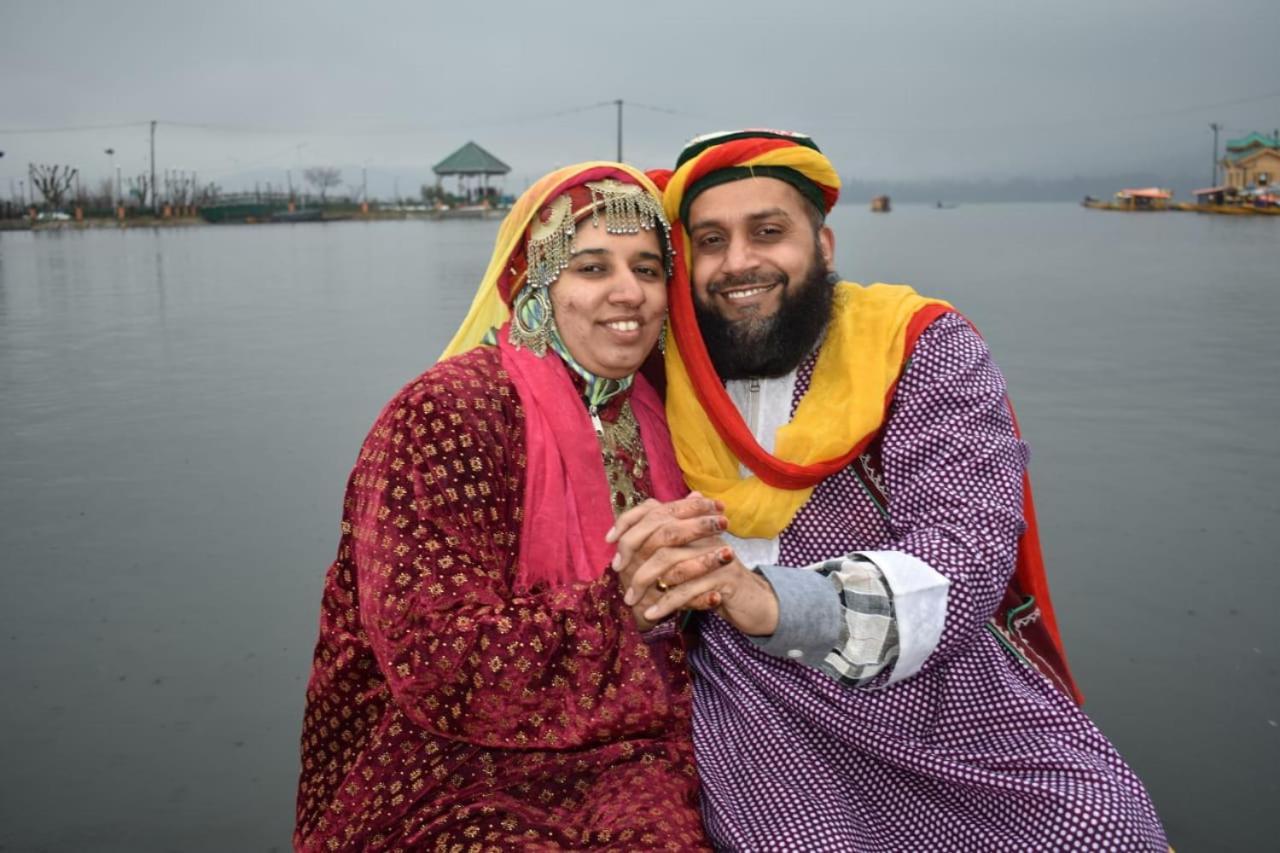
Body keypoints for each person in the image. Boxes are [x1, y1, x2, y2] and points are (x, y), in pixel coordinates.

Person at [610, 130, 1168, 850]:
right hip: (753, 692)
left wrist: (773, 599)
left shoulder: (917, 345)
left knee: (1100, 824)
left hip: (936, 675)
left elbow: (966, 550)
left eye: (769, 231)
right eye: (711, 240)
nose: (738, 262)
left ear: (826, 245)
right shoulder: (658, 364)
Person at [294, 163, 712, 851]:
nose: (628, 292)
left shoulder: (659, 407)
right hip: (449, 756)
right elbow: (430, 655)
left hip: (635, 737)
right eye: (590, 267)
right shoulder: (445, 414)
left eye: (647, 266)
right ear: (537, 285)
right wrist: (626, 606)